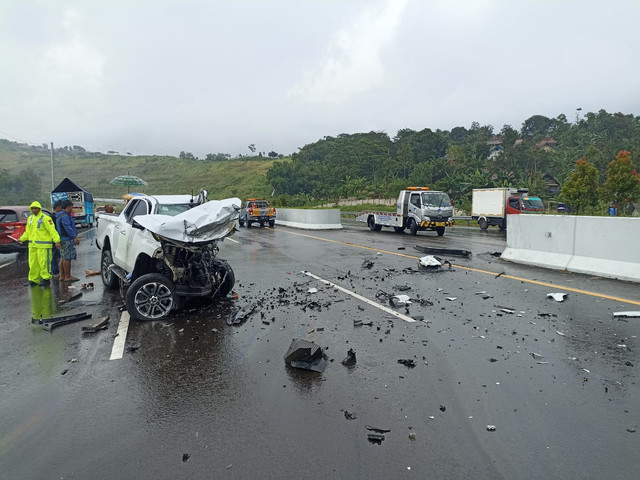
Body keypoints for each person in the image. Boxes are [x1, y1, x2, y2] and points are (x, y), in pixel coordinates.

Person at [19, 201, 61, 286]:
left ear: (39, 209)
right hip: (33, 246)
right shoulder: (30, 219)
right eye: (32, 208)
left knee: (44, 263)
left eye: (36, 208)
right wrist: (21, 239)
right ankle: (34, 280)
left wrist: (57, 241)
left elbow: (52, 230)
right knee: (33, 263)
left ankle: (46, 279)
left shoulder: (46, 218)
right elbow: (28, 232)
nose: (34, 210)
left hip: (44, 246)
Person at [56, 200, 80, 282]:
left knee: (63, 257)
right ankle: (68, 276)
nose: (72, 209)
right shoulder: (65, 216)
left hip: (62, 239)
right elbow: (67, 227)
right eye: (71, 207)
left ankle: (62, 276)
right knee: (67, 258)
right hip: (67, 239)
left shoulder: (59, 215)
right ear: (68, 207)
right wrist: (74, 237)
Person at [51, 201, 63, 278]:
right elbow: (53, 230)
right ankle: (55, 272)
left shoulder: (57, 216)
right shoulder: (52, 217)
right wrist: (56, 240)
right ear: (58, 207)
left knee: (58, 255)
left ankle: (58, 271)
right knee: (54, 255)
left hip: (58, 238)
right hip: (54, 239)